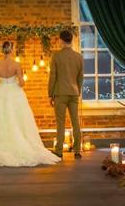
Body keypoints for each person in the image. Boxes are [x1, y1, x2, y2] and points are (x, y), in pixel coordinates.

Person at [48, 30, 84, 159]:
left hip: (60, 93)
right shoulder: (79, 57)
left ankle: (59, 151)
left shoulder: (56, 56)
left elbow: (53, 76)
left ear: (62, 40)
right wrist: (77, 91)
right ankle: (77, 150)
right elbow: (80, 77)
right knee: (75, 122)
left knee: (60, 122)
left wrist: (50, 94)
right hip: (74, 92)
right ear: (71, 40)